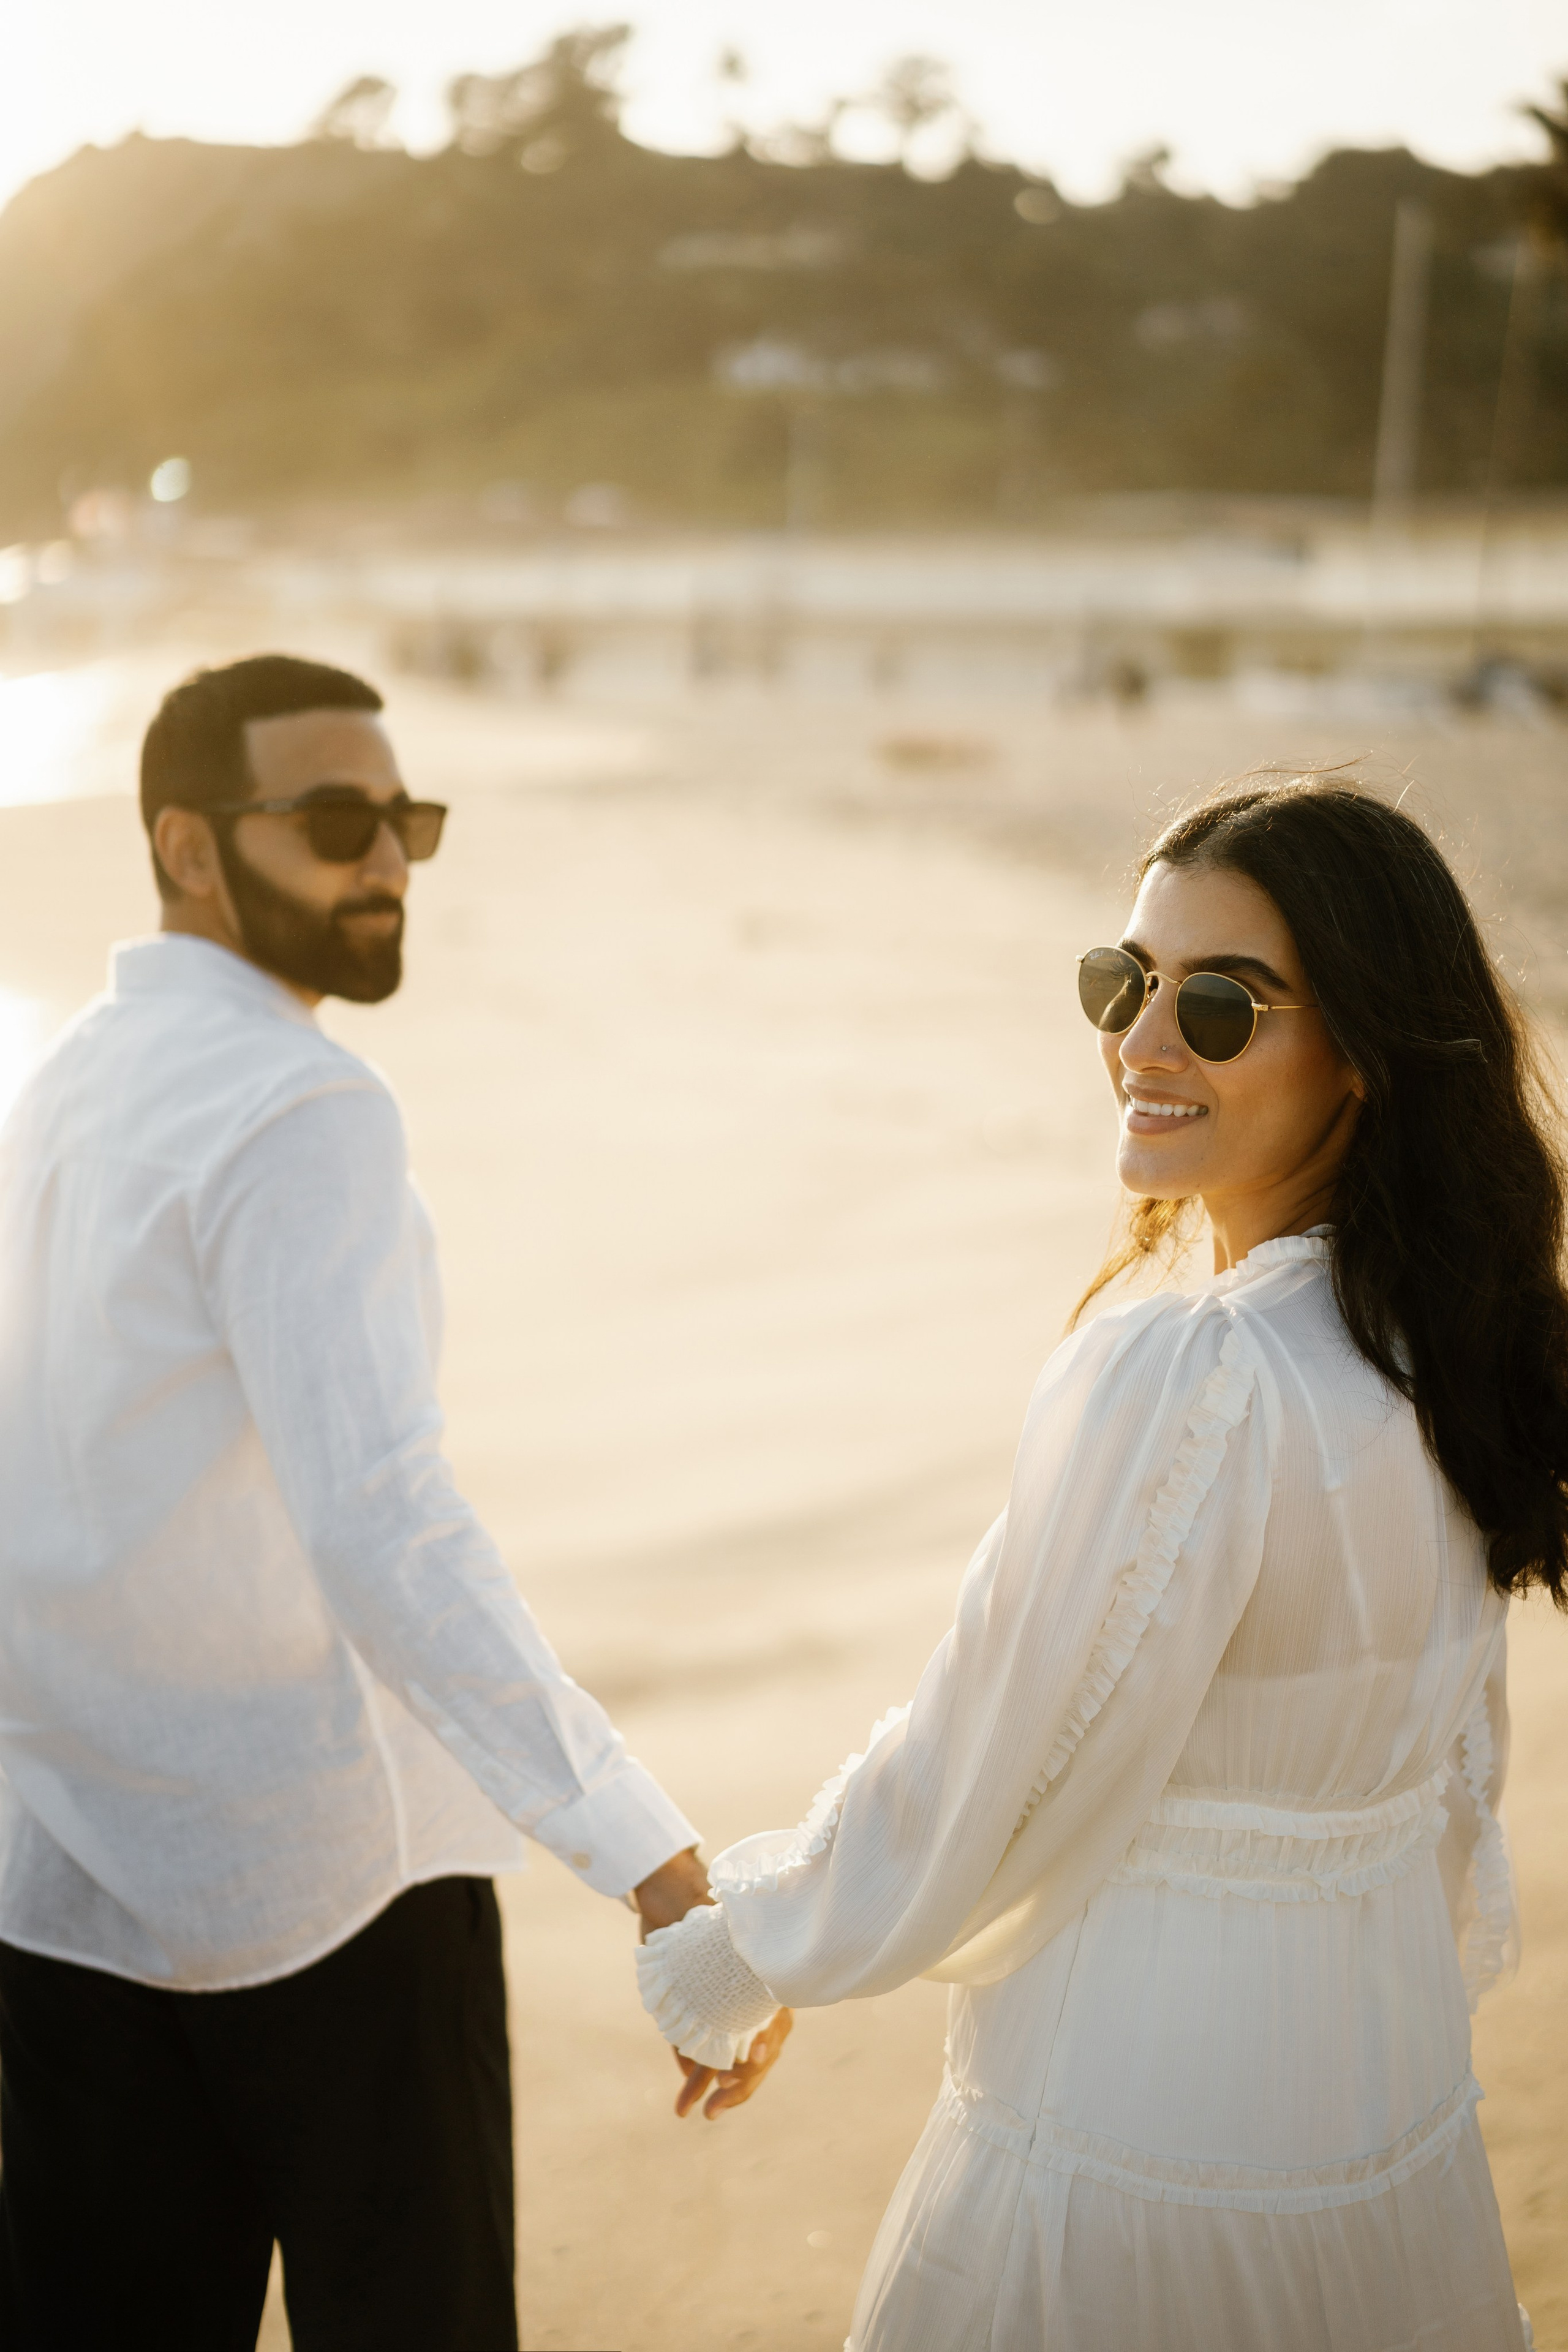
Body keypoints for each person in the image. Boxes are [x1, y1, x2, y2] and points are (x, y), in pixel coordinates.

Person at [638, 778, 1556, 2351]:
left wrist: (742, 1946)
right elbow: (1447, 1773)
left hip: (1139, 2109)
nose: (1141, 1041)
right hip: (1371, 2097)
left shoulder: (1194, 1373)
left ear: (1360, 1050)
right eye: (1120, 981)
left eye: (1218, 1003)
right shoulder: (1455, 1353)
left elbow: (988, 1744)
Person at [0, 652, 785, 2352]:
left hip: (65, 1878)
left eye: (407, 820)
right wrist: (653, 1861)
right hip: (333, 1889)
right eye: (341, 820)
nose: (390, 864)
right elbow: (385, 1525)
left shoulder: (63, 1077)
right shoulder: (302, 1107)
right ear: (190, 849)